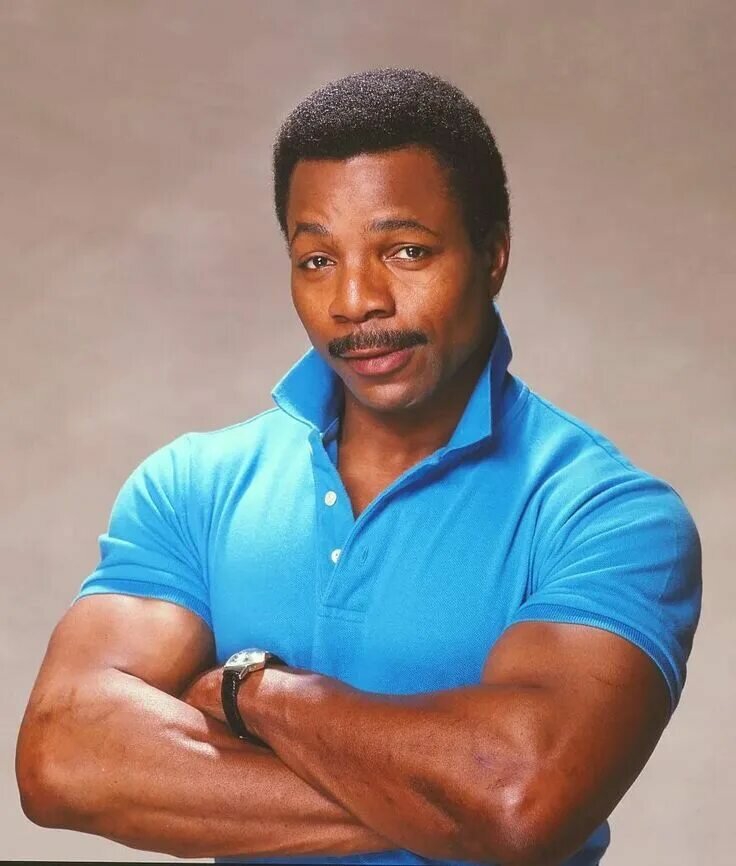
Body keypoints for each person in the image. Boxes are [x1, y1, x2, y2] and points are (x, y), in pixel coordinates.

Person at [16, 67, 702, 866]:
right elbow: (61, 759)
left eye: (406, 251)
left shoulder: (609, 517)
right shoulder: (191, 488)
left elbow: (519, 801)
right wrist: (444, 806)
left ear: (493, 255)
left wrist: (250, 692)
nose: (355, 301)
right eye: (316, 260)